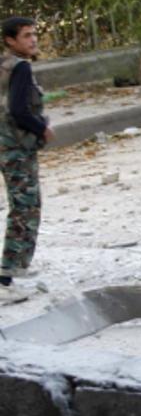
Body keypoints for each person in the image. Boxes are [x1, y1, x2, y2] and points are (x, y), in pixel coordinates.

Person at [0, 16, 53, 303]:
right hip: (17, 148)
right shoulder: (19, 68)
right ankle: (7, 278)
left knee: (20, 206)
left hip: (6, 146)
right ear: (10, 40)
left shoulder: (4, 66)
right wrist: (42, 128)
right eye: (26, 36)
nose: (32, 40)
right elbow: (18, 110)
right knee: (25, 209)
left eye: (34, 34)